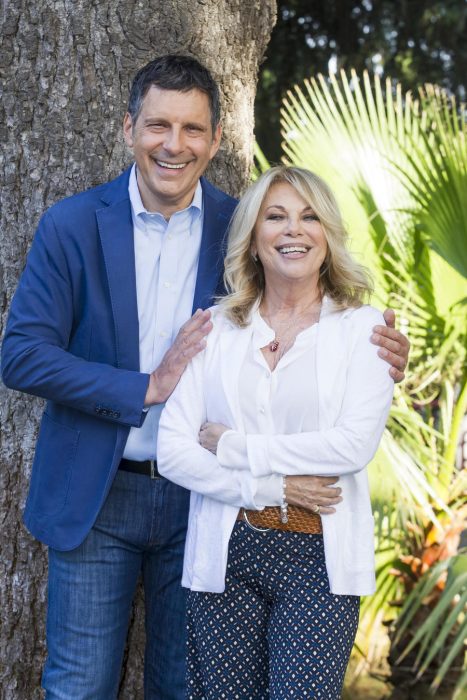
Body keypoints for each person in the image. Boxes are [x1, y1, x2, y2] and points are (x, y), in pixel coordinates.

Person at [1, 54, 408, 699]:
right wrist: (145, 387)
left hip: (207, 501)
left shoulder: (241, 226)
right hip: (98, 491)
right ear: (128, 128)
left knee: (183, 686)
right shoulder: (73, 225)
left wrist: (375, 350)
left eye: (192, 128)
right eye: (158, 125)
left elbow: (303, 309)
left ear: (216, 139)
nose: (174, 144)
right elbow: (22, 354)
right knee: (78, 685)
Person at [157, 165, 396, 699]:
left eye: (310, 217)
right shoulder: (216, 328)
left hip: (319, 559)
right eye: (276, 217)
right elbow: (173, 451)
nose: (294, 230)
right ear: (253, 237)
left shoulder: (363, 331)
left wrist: (233, 445)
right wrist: (274, 487)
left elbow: (351, 446)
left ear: (327, 236)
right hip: (225, 552)